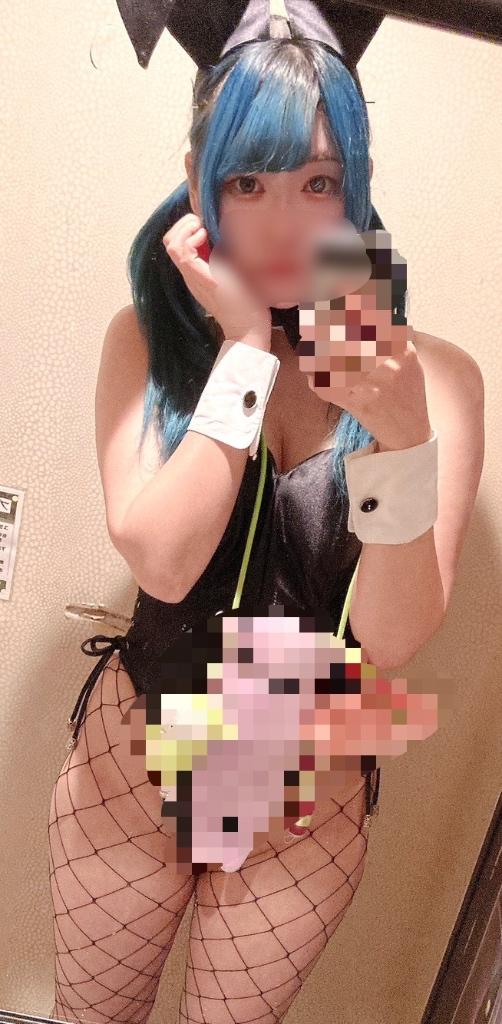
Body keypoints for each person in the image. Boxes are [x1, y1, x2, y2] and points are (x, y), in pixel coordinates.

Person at [47, 4, 439, 1022]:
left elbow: (391, 639)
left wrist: (402, 437)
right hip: (137, 770)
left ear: (357, 188)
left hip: (299, 804)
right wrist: (246, 351)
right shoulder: (147, 343)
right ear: (197, 183)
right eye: (247, 182)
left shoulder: (431, 376)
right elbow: (165, 561)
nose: (282, 222)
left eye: (318, 183)